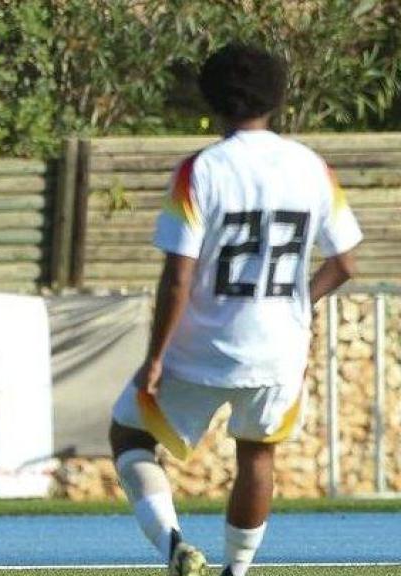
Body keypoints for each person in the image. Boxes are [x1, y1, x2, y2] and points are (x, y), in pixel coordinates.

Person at [108, 44, 362, 576]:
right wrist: (298, 303)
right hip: (277, 349)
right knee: (257, 456)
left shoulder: (200, 171)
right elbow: (344, 263)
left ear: (211, 99)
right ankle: (237, 572)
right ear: (278, 98)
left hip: (200, 348)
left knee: (129, 435)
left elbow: (178, 276)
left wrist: (155, 356)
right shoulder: (312, 167)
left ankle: (174, 544)